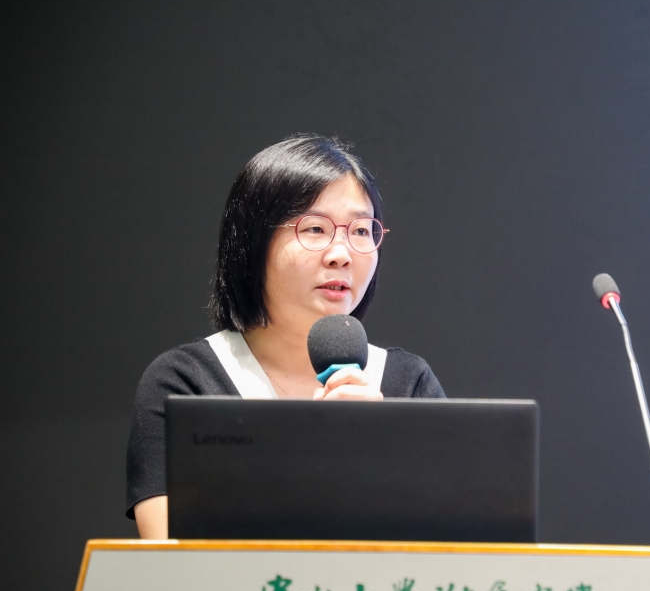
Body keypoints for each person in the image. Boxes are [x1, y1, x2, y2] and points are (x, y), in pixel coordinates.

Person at [126, 135, 445, 539]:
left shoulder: (409, 384)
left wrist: (377, 449)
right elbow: (167, 556)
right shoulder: (183, 384)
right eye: (315, 228)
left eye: (362, 231)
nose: (342, 254)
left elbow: (452, 554)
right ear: (252, 243)